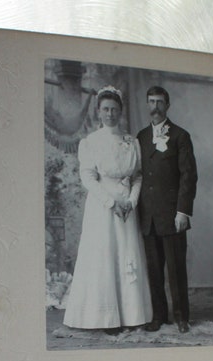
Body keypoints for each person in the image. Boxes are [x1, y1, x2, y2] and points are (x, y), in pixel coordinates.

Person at [63, 86, 152, 334]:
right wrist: (111, 203)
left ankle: (132, 314)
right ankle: (105, 317)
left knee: (127, 254)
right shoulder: (91, 142)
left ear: (121, 111)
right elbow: (88, 177)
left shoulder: (131, 142)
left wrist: (131, 202)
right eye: (105, 109)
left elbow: (137, 176)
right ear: (99, 112)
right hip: (103, 207)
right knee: (105, 256)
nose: (110, 114)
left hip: (127, 207)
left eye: (114, 109)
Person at [136, 86, 198, 334]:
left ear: (168, 105)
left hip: (172, 216)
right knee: (154, 270)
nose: (155, 107)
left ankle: (182, 317)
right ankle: (159, 316)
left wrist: (183, 211)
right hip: (148, 216)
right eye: (151, 101)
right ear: (147, 104)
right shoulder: (140, 137)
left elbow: (189, 176)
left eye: (160, 102)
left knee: (175, 269)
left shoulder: (181, 136)